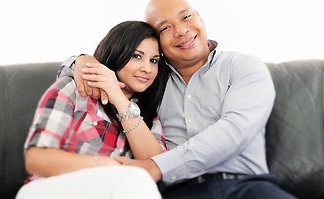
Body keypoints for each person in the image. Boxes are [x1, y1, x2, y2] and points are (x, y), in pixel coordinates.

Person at [59, 0, 297, 198]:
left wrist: (157, 166)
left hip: (246, 187)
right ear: (156, 41)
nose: (181, 31)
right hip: (179, 192)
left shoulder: (244, 68)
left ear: (199, 17)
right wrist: (80, 61)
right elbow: (112, 65)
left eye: (185, 17)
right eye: (164, 28)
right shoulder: (149, 79)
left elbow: (234, 130)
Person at [16, 21, 170, 199]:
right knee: (135, 178)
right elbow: (36, 159)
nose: (147, 69)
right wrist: (108, 165)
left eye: (154, 61)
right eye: (136, 56)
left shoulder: (150, 115)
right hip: (45, 189)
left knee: (139, 178)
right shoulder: (74, 89)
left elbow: (155, 165)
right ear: (116, 52)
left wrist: (119, 100)